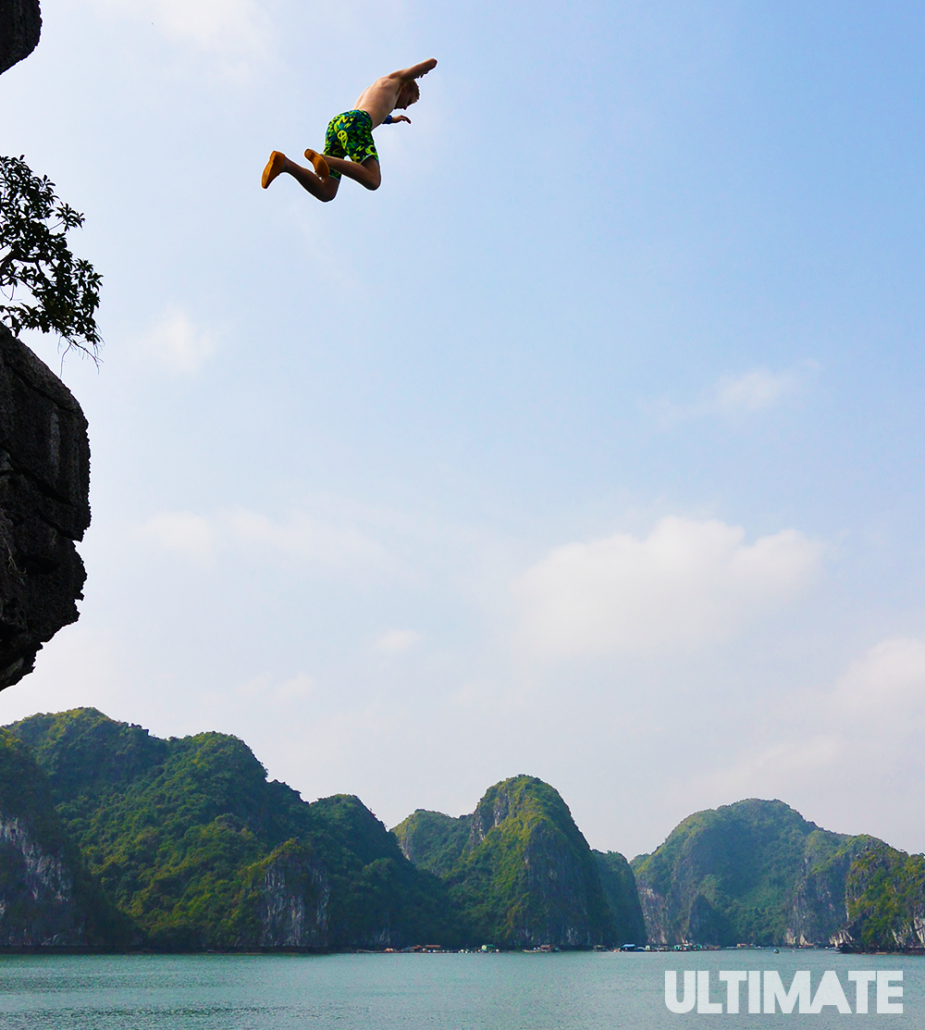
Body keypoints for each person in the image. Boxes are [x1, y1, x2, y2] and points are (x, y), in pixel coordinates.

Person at [261, 59, 437, 201]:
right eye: (408, 102)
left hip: (338, 124)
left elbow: (379, 113)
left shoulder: (377, 92)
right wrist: (427, 67)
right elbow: (424, 66)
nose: (405, 108)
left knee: (326, 192)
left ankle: (285, 164)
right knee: (373, 180)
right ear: (406, 87)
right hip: (357, 123)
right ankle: (324, 160)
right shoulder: (395, 81)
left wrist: (393, 120)